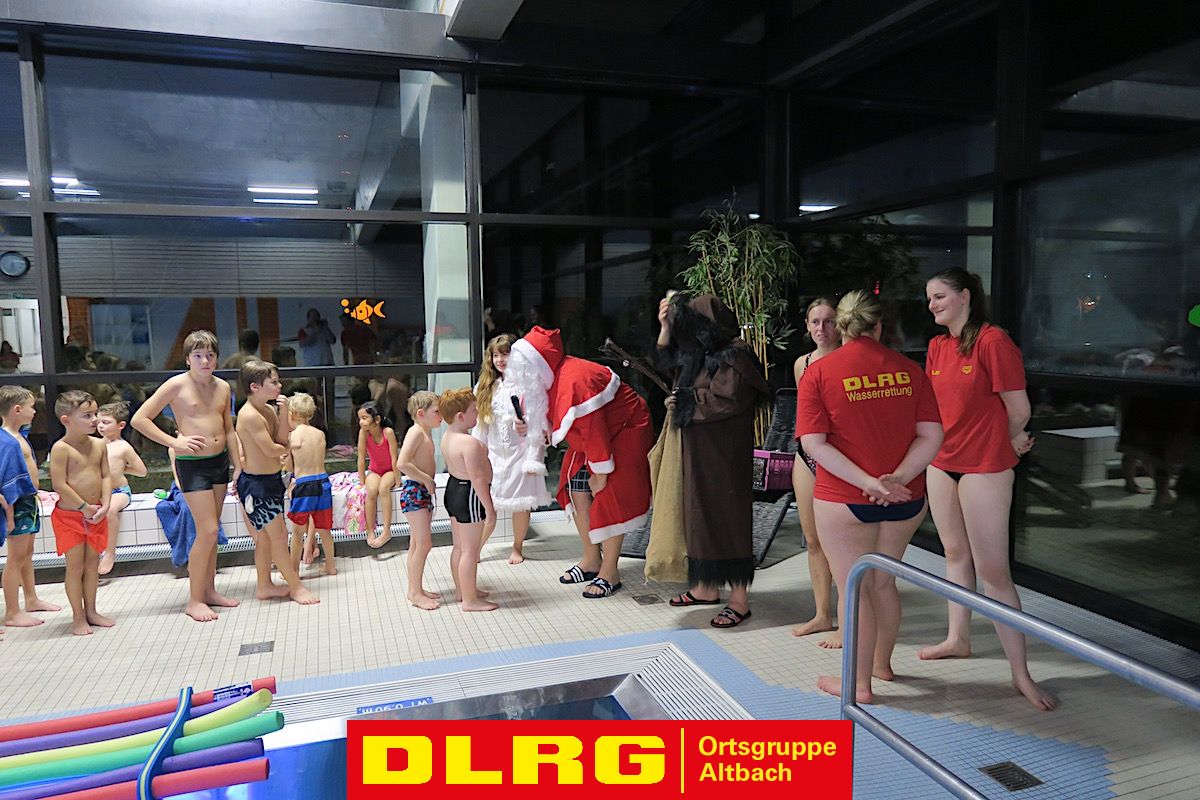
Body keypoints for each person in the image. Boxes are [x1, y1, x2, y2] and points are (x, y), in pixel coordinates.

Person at [918, 267, 1057, 712]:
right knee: (955, 555)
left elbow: (1019, 409)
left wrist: (1007, 441)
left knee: (994, 573)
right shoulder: (937, 347)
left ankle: (1020, 673)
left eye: (939, 296)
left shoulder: (993, 342)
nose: (932, 305)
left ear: (965, 296)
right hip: (942, 463)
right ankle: (957, 639)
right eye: (929, 298)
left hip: (984, 467)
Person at [796, 290, 943, 704]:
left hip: (844, 499)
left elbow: (813, 443)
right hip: (905, 498)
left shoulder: (820, 373)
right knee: (883, 583)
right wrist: (897, 478)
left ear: (841, 327)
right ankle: (881, 665)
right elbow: (931, 434)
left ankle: (858, 685)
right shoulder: (909, 369)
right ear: (878, 326)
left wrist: (867, 482)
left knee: (853, 588)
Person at [508, 326, 653, 599]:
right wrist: (528, 427)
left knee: (610, 495)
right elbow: (547, 420)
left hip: (626, 428)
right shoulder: (541, 381)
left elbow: (593, 429)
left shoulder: (575, 382)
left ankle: (610, 571)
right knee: (574, 486)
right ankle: (591, 559)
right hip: (593, 437)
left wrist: (601, 473)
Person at [657, 293, 771, 628]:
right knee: (700, 517)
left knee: (729, 519)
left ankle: (739, 600)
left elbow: (728, 399)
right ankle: (705, 587)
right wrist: (665, 328)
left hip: (725, 456)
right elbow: (668, 366)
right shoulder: (701, 352)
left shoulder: (734, 354)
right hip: (700, 452)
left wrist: (686, 400)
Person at [132, 329, 243, 622]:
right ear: (187, 359)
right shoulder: (176, 385)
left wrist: (238, 465)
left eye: (210, 355)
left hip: (219, 462)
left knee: (212, 530)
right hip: (192, 465)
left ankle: (209, 591)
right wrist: (174, 442)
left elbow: (229, 430)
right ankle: (194, 600)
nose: (205, 361)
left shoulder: (223, 387)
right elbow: (140, 419)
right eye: (198, 355)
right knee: (207, 530)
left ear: (216, 358)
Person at [235, 359, 319, 606]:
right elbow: (272, 449)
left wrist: (283, 413)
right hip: (256, 486)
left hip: (271, 481)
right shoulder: (249, 415)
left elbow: (281, 439)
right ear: (255, 387)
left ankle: (264, 585)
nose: (279, 386)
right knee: (279, 536)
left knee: (265, 538)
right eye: (273, 382)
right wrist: (288, 448)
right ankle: (295, 587)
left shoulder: (268, 410)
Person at [789, 298, 844, 646]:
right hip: (807, 455)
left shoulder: (849, 359)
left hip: (840, 456)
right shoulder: (803, 363)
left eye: (828, 321)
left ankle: (848, 618)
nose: (821, 328)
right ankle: (822, 614)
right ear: (807, 326)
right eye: (815, 322)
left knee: (840, 542)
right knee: (812, 539)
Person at [473, 334, 551, 565]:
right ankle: (475, 548)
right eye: (495, 355)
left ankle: (517, 547)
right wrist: (476, 453)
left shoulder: (529, 384)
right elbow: (479, 425)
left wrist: (525, 425)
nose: (500, 360)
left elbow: (539, 423)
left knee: (521, 504)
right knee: (488, 504)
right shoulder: (486, 387)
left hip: (520, 453)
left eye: (505, 354)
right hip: (493, 453)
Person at [49, 390, 116, 636]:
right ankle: (78, 616)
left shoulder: (99, 444)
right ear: (66, 420)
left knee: (92, 564)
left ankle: (92, 611)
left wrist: (106, 504)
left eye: (95, 413)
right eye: (87, 415)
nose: (95, 419)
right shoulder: (61, 448)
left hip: (96, 514)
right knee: (75, 566)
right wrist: (83, 507)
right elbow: (59, 485)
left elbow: (106, 475)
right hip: (71, 517)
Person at [1, 386, 59, 626]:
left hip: (28, 500)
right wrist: (9, 513)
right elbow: (5, 480)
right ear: (17, 410)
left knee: (27, 553)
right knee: (15, 557)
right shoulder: (8, 441)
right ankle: (12, 612)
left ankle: (31, 598)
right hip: (18, 503)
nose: (35, 411)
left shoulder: (18, 436)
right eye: (31, 407)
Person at [438, 388, 498, 612]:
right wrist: (489, 509)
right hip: (470, 495)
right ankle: (470, 601)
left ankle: (463, 590)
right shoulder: (469, 443)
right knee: (470, 551)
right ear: (461, 416)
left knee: (459, 547)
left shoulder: (447, 437)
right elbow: (478, 478)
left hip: (454, 489)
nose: (478, 413)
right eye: (474, 410)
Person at [396, 390, 443, 610]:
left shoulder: (425, 432)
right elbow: (402, 463)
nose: (441, 416)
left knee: (416, 543)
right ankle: (415, 592)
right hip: (415, 490)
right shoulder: (415, 432)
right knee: (424, 544)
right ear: (421, 413)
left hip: (420, 490)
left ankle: (415, 589)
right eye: (437, 411)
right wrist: (426, 479)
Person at [285, 392, 336, 576]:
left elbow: (289, 466)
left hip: (304, 484)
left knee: (298, 532)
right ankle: (330, 566)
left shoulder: (293, 436)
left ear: (292, 414)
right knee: (324, 530)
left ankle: (293, 571)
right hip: (323, 483)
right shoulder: (320, 434)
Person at [96, 402, 147, 576]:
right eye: (98, 422)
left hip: (119, 492)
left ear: (121, 425)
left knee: (110, 510)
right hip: (99, 493)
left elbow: (142, 471)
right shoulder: (94, 444)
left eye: (106, 422)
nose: (100, 426)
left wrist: (123, 469)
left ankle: (110, 553)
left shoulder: (123, 447)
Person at [357, 401, 398, 548]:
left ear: (377, 419)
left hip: (390, 470)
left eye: (364, 418)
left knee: (384, 488)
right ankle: (370, 530)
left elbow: (394, 458)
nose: (361, 422)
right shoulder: (364, 433)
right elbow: (361, 458)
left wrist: (398, 480)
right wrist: (362, 481)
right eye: (359, 418)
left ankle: (386, 531)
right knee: (371, 490)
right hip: (374, 470)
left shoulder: (388, 432)